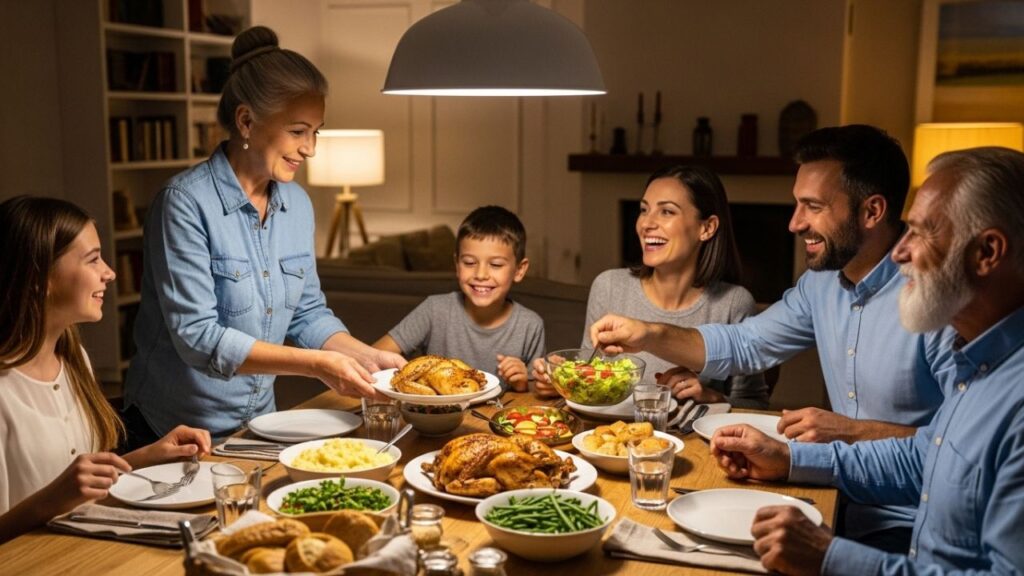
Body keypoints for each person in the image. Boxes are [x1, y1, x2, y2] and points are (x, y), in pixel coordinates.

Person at [590, 125, 948, 550]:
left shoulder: (940, 298)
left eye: (812, 206)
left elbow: (956, 448)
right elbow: (745, 344)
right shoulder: (822, 285)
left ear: (871, 212)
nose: (795, 223)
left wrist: (849, 433)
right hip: (831, 500)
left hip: (910, 523)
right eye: (797, 204)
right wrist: (648, 333)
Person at [709, 146, 1024, 575]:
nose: (900, 252)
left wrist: (831, 558)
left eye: (922, 232)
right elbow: (923, 458)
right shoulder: (980, 364)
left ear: (987, 252)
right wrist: (787, 458)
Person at [123, 26, 404, 446]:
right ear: (246, 121)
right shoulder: (183, 203)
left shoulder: (297, 206)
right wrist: (317, 365)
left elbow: (308, 314)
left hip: (257, 425)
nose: (310, 149)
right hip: (171, 429)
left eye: (316, 132)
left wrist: (366, 356)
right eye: (298, 131)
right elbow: (198, 338)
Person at [0, 196, 211, 543]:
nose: (110, 272)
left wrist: (147, 457)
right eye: (93, 259)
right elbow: (58, 495)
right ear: (40, 277)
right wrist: (52, 500)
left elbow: (79, 483)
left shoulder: (74, 361)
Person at [531, 165, 768, 407]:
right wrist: (562, 382)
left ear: (706, 228)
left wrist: (713, 398)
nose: (646, 223)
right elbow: (586, 378)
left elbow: (755, 405)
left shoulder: (733, 303)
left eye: (666, 212)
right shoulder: (609, 286)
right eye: (644, 210)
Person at [374, 206, 544, 392]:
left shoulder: (530, 325)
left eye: (495, 264)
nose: (480, 274)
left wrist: (522, 383)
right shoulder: (434, 310)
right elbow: (374, 356)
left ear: (519, 270)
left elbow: (537, 395)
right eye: (469, 263)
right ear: (456, 264)